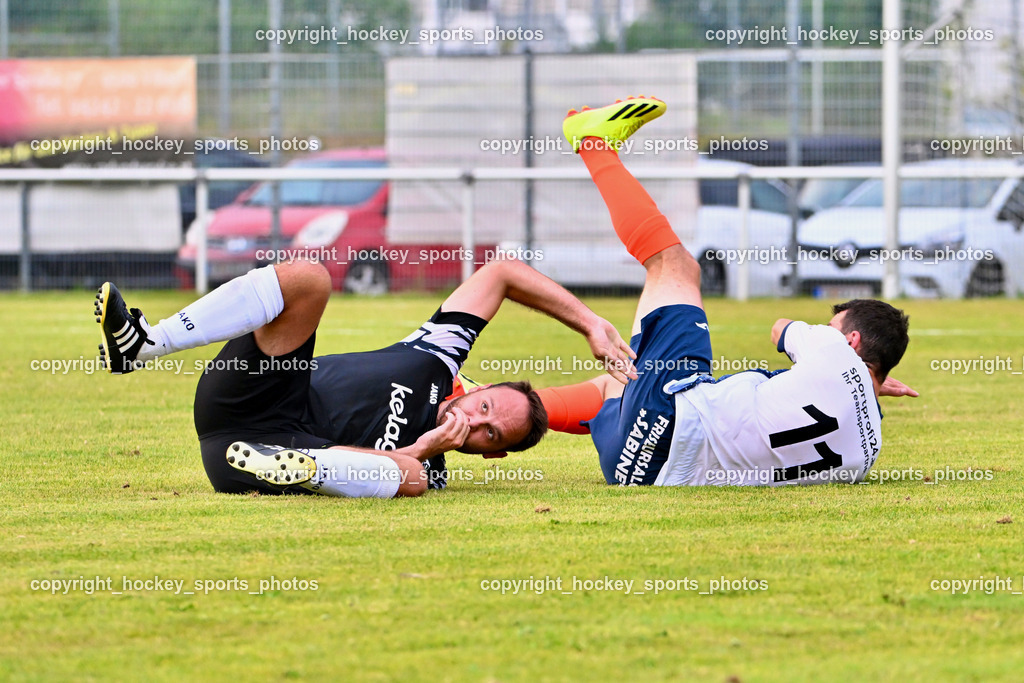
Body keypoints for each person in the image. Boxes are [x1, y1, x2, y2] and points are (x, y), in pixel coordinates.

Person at [536, 96, 918, 487]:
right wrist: (861, 384)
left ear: (851, 339)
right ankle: (489, 402)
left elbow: (781, 329)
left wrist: (836, 362)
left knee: (677, 266)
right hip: (636, 468)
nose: (828, 331)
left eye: (833, 326)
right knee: (622, 377)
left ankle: (593, 142)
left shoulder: (835, 353)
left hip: (669, 423)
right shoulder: (866, 453)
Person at [95, 257, 636, 498]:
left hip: (245, 458)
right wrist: (590, 323)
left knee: (409, 479)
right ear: (481, 387)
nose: (475, 422)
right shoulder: (436, 356)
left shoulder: (434, 466)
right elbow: (502, 273)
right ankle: (146, 343)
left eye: (490, 434)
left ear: (492, 455)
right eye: (486, 408)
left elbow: (413, 473)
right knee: (310, 278)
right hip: (247, 397)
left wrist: (422, 449)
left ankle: (302, 468)